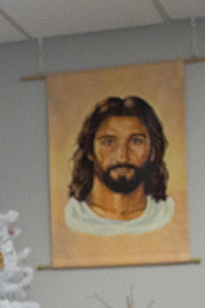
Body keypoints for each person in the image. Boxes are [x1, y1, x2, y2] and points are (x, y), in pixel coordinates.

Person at [64, 95, 174, 236]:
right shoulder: (71, 217)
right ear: (90, 150)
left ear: (153, 150)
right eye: (109, 142)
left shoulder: (166, 215)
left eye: (136, 141)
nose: (122, 155)